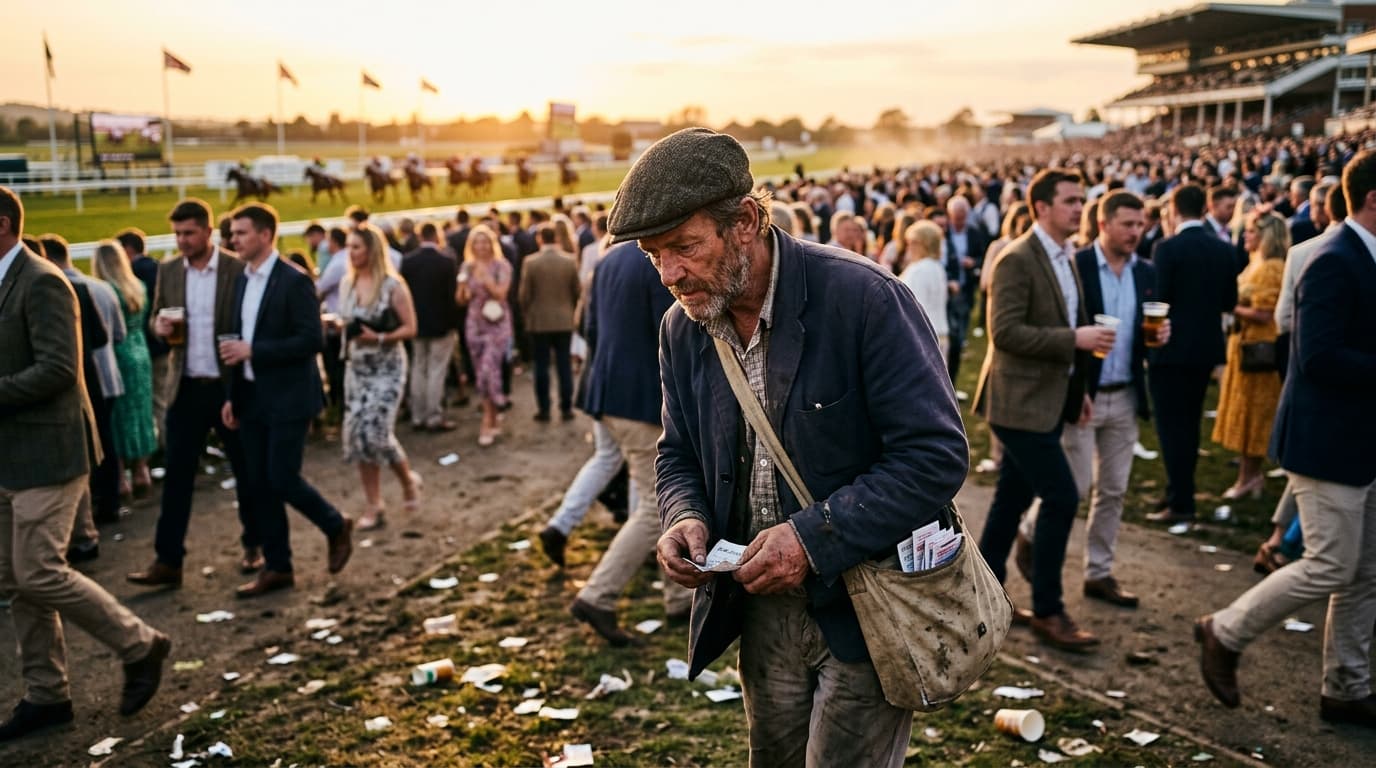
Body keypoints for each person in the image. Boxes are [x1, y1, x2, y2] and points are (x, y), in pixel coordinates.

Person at [642, 129, 968, 766]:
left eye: (684, 247)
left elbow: (934, 455)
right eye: (654, 256)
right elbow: (677, 450)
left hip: (868, 604)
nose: (670, 275)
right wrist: (683, 516)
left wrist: (810, 538)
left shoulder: (866, 299)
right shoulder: (683, 327)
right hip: (759, 609)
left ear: (747, 223)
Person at [1196, 149, 1376, 727]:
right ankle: (1224, 631)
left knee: (1365, 571)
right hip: (1328, 441)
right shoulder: (1333, 259)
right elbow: (1319, 356)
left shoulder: (1363, 256)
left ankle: (1347, 687)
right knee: (1329, 565)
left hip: (1361, 439)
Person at [0, 186, 170, 740]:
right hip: (9, 455)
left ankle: (140, 643)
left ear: (2, 224)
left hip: (50, 451)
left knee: (39, 570)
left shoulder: (44, 281)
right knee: (16, 581)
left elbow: (58, 369)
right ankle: (47, 695)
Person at [973, 168, 1114, 652]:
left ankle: (980, 592)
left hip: (1050, 400)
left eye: (1082, 200)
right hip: (1017, 404)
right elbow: (1004, 332)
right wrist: (1074, 339)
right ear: (1041, 208)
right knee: (1061, 496)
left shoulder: (1066, 257)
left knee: (1012, 496)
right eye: (1070, 201)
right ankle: (1049, 610)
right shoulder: (1017, 258)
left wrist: (1079, 392)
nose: (1080, 208)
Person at [1013, 191, 1166, 610]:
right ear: (1104, 224)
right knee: (1074, 485)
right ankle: (1029, 530)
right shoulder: (1076, 264)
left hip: (1126, 393)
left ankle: (1099, 573)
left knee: (1114, 489)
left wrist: (1160, 337)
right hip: (1083, 395)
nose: (1137, 232)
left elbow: (1144, 332)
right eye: (1128, 224)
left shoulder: (1147, 271)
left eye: (1141, 225)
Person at [562, 240, 693, 644]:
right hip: (640, 397)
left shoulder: (608, 259)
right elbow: (674, 331)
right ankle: (598, 596)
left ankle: (678, 598)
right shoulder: (659, 260)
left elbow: (588, 326)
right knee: (656, 507)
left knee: (657, 497)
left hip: (608, 390)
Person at [128, 199, 263, 588]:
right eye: (177, 234)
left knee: (245, 470)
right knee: (177, 478)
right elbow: (155, 316)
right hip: (184, 386)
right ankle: (168, 561)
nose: (182, 240)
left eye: (189, 233)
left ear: (207, 231)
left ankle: (255, 544)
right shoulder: (168, 270)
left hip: (227, 387)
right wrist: (159, 328)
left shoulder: (236, 269)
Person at [220, 203, 353, 598]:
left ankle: (334, 524)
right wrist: (233, 395)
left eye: (241, 233)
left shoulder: (293, 280)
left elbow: (312, 340)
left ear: (264, 235)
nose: (234, 240)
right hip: (251, 395)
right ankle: (278, 567)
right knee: (258, 484)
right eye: (232, 233)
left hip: (290, 395)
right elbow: (236, 339)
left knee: (281, 477)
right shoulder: (242, 280)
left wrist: (254, 351)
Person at [1144, 184, 1238, 525]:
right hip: (1204, 349)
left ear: (1174, 209)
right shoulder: (1222, 249)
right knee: (1191, 424)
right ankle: (1179, 491)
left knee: (1171, 427)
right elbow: (1229, 302)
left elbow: (1159, 297)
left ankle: (1180, 500)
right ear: (1204, 209)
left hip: (1169, 349)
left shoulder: (1167, 248)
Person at [339, 223, 422, 530]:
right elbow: (348, 320)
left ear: (372, 250)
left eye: (357, 247)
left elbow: (411, 328)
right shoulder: (347, 284)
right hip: (357, 368)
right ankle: (374, 503)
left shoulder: (392, 286)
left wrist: (380, 338)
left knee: (376, 431)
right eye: (349, 247)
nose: (351, 253)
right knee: (356, 437)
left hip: (387, 367)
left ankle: (407, 481)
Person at [40, 235, 125, 523]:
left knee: (85, 448)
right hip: (108, 376)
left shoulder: (66, 289)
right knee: (106, 441)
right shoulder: (98, 286)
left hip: (82, 381)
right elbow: (110, 337)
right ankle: (109, 502)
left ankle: (86, 515)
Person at [1212, 211, 1287, 499]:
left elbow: (1265, 312)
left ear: (1267, 235)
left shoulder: (1272, 267)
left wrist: (1231, 306)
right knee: (1246, 412)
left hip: (1258, 352)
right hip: (1244, 347)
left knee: (1254, 414)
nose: (1246, 235)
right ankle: (1249, 476)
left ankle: (1250, 477)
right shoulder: (1256, 263)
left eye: (1252, 231)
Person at [91, 240, 157, 498]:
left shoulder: (106, 290)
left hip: (118, 352)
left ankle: (121, 478)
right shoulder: (137, 286)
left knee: (118, 417)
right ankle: (142, 469)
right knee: (141, 412)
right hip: (140, 350)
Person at [455, 223, 512, 446]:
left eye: (485, 242)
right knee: (481, 370)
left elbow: (501, 294)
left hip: (497, 322)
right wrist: (463, 287)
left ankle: (487, 421)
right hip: (475, 322)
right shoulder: (466, 267)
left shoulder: (501, 265)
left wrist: (484, 277)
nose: (481, 247)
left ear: (492, 244)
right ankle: (494, 413)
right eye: (477, 243)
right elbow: (460, 300)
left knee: (489, 368)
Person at [518, 224, 581, 422]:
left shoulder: (530, 262)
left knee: (541, 366)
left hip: (539, 321)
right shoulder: (569, 261)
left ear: (539, 239)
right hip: (563, 320)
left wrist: (528, 313)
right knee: (564, 365)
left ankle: (544, 409)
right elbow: (577, 292)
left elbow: (524, 295)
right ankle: (566, 407)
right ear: (556, 238)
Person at [400, 222, 459, 432]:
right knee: (436, 370)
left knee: (418, 367)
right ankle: (433, 415)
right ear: (436, 236)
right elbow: (451, 297)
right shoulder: (446, 262)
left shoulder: (408, 262)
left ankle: (417, 415)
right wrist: (454, 324)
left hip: (417, 323)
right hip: (441, 323)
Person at [117, 227, 170, 451]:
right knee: (164, 398)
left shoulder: (132, 275)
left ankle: (163, 447)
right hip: (166, 344)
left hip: (145, 344)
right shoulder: (160, 267)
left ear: (128, 249)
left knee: (154, 401)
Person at [944, 195, 988, 383]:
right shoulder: (944, 234)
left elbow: (982, 256)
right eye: (956, 217)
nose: (960, 221)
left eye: (963, 217)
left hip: (967, 286)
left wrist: (974, 262)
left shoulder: (974, 232)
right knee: (952, 330)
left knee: (963, 323)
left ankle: (958, 348)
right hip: (949, 289)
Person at [899, 220, 949, 355]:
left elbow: (914, 308)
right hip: (939, 332)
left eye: (911, 243)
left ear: (922, 244)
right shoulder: (937, 267)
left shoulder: (918, 270)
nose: (908, 248)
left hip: (922, 337)